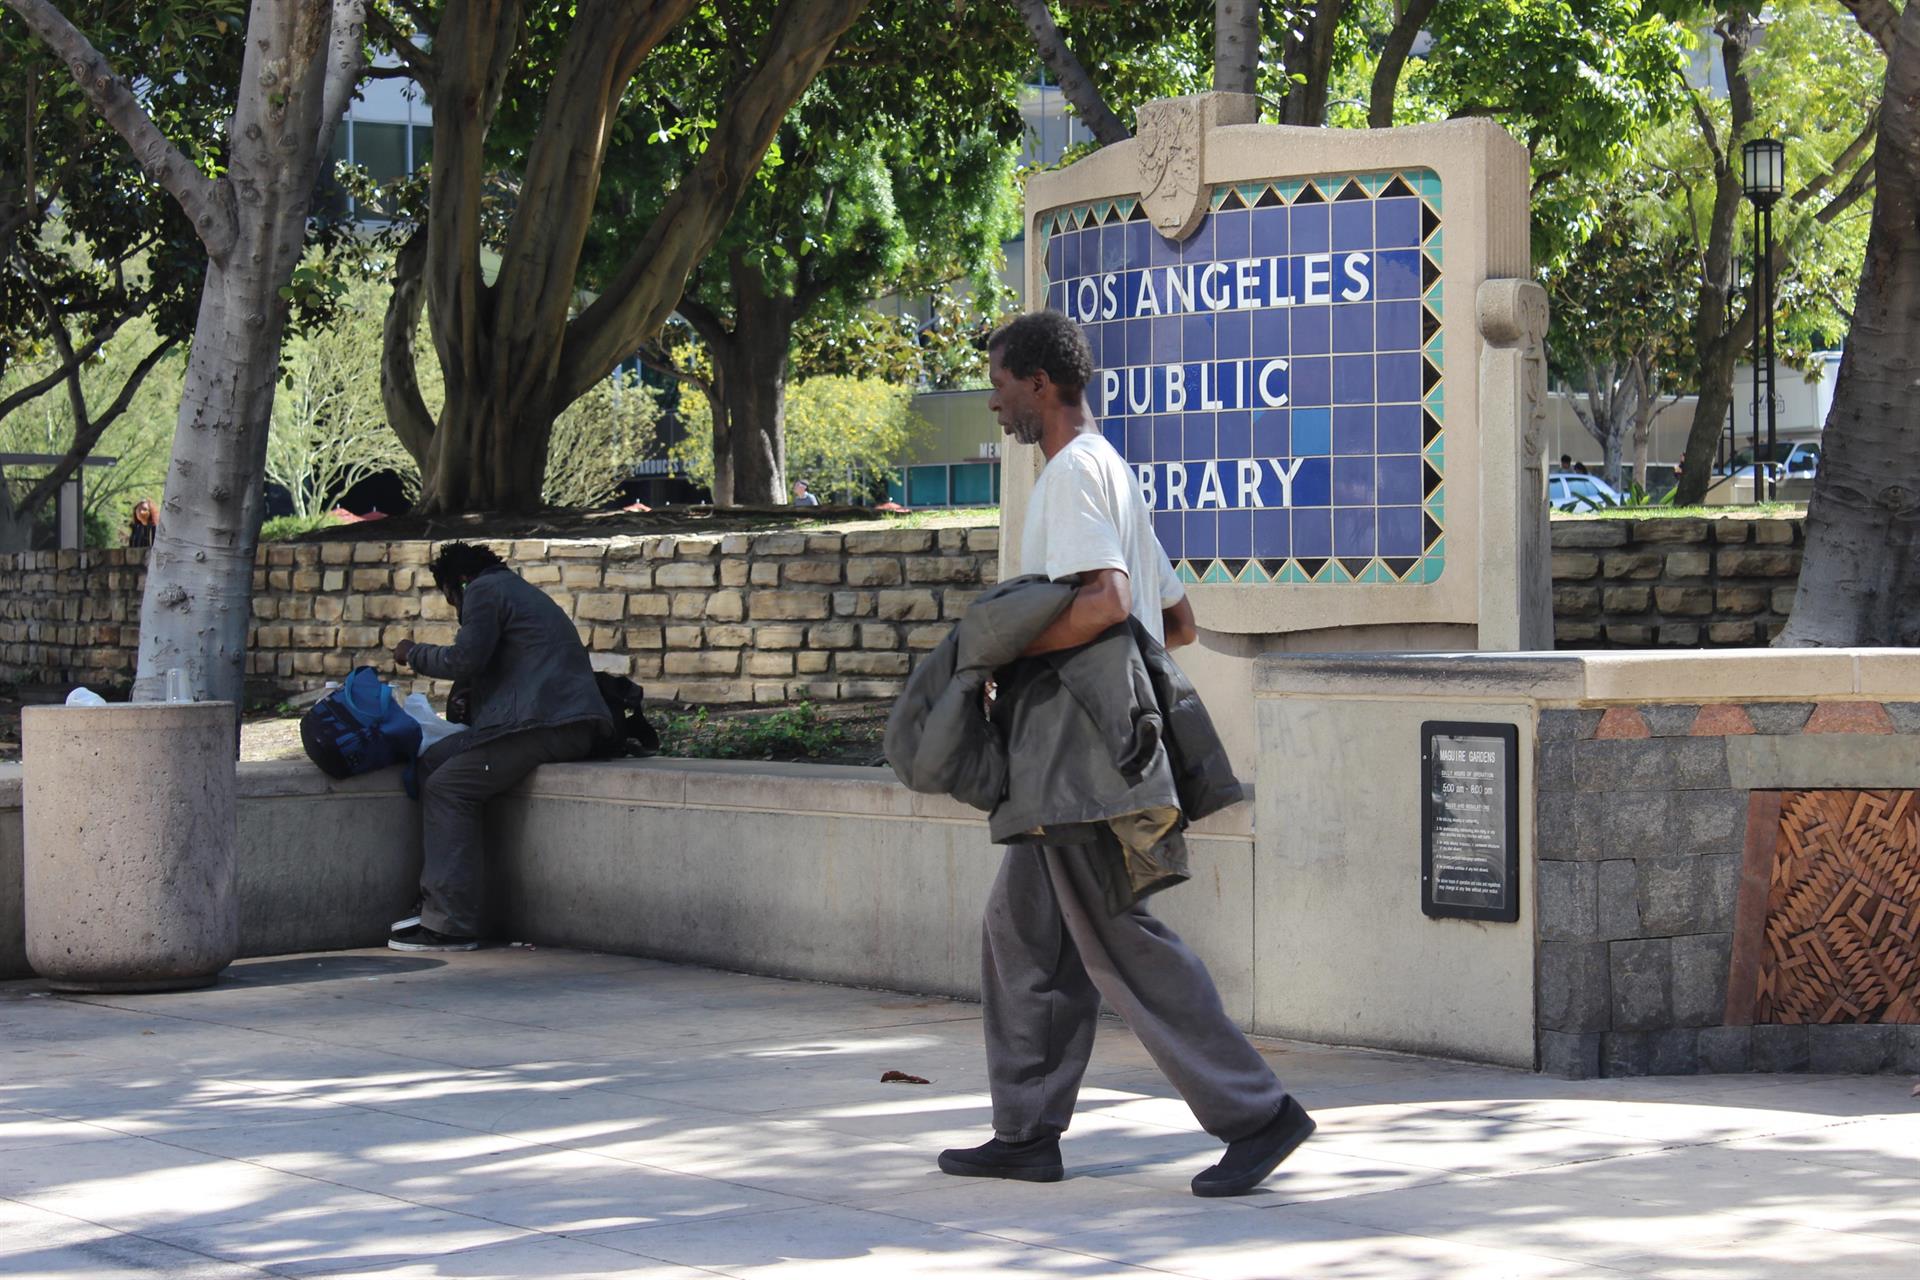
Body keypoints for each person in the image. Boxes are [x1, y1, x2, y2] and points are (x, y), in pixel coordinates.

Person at [936, 311, 1313, 1197]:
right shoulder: (1112, 471)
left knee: (1118, 936)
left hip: (1077, 762)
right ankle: (1026, 1131)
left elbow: (1106, 602)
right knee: (1020, 932)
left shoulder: (1072, 475)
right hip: (1083, 752)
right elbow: (1171, 621)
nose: (993, 399)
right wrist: (1118, 695)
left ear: (1039, 383)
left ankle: (1257, 1113)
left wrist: (1010, 652)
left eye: (999, 381)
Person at [386, 542, 611, 951]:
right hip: (546, 722)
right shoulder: (513, 590)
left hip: (547, 726)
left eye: (450, 600)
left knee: (448, 786)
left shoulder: (483, 591)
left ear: (456, 586)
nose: (455, 609)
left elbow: (464, 658)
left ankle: (451, 924)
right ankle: (441, 893)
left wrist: (412, 653)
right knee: (431, 762)